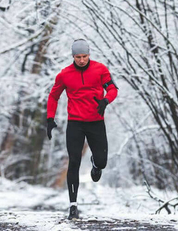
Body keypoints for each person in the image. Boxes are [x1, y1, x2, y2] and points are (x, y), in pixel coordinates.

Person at [46, 39, 118, 220]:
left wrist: (105, 100)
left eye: (85, 56)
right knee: (74, 161)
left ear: (89, 55)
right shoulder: (64, 75)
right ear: (73, 57)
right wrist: (49, 118)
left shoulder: (100, 69)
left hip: (96, 122)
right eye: (78, 57)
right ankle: (73, 206)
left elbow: (113, 89)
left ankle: (96, 164)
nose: (82, 60)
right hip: (75, 123)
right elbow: (53, 96)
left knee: (102, 161)